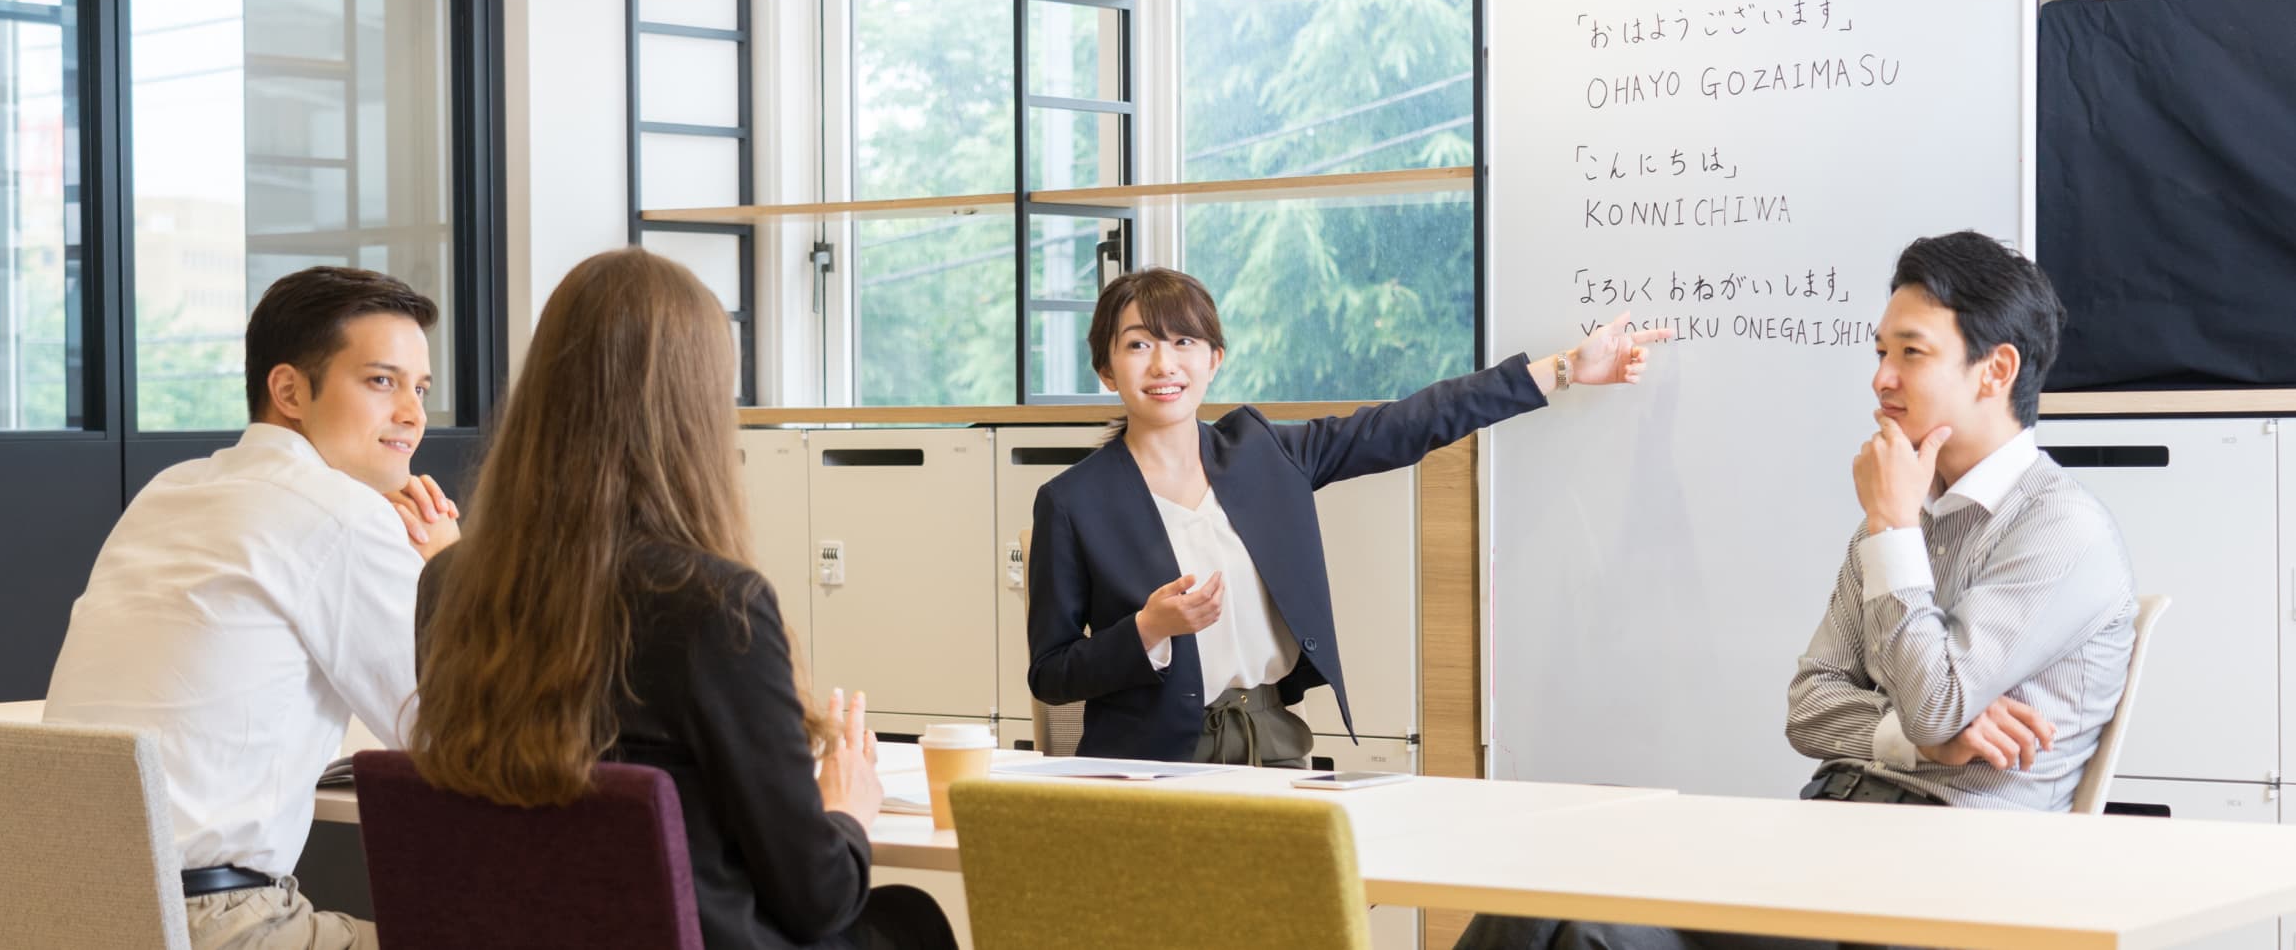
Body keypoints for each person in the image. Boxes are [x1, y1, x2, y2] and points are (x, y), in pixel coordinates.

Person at [1457, 231, 2138, 949]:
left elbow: (1937, 703)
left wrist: (1892, 531)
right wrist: (1920, 738)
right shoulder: (1908, 510)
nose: (1881, 379)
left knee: (1596, 932)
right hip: (1826, 842)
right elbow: (1810, 707)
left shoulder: (2059, 528)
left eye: (1911, 352)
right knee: (1547, 875)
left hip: (1938, 891)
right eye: (1881, 353)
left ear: (1995, 369)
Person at [407, 248, 956, 950]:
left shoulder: (448, 587)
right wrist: (847, 806)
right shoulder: (715, 606)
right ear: (694, 409)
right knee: (908, 920)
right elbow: (817, 899)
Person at [1026, 267, 1669, 766]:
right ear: (1107, 369)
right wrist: (1146, 628)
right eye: (1139, 345)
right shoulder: (1072, 502)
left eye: (1183, 342)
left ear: (1213, 358)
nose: (1164, 365)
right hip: (1147, 763)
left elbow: (1407, 423)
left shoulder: (1263, 451)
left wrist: (1562, 369)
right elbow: (1051, 675)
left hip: (1274, 743)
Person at [46, 266, 462, 950]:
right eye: (381, 381)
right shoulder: (341, 514)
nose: (414, 415)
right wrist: (448, 570)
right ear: (290, 390)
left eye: (419, 389)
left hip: (68, 915)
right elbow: (453, 740)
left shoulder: (169, 490)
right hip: (209, 926)